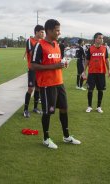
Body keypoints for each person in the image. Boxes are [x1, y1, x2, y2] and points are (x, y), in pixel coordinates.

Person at [31, 19, 81, 149]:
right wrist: (54, 66)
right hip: (47, 84)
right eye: (57, 30)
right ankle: (46, 138)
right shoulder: (39, 45)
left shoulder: (57, 44)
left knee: (64, 108)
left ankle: (66, 136)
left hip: (59, 82)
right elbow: (33, 65)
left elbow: (56, 62)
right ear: (49, 30)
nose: (59, 32)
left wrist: (62, 64)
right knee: (48, 111)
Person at [83, 32, 110, 113]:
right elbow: (87, 60)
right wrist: (84, 71)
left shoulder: (104, 49)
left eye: (102, 38)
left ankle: (99, 107)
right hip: (92, 73)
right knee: (90, 90)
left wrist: (109, 70)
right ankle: (89, 106)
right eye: (99, 38)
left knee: (100, 90)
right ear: (95, 39)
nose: (101, 39)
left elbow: (106, 60)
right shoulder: (90, 48)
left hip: (101, 72)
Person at [23, 25, 45, 118]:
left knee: (38, 88)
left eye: (43, 32)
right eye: (41, 32)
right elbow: (32, 53)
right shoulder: (30, 40)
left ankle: (35, 108)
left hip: (40, 69)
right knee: (30, 89)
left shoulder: (42, 42)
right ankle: (25, 110)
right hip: (32, 69)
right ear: (36, 32)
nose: (43, 34)